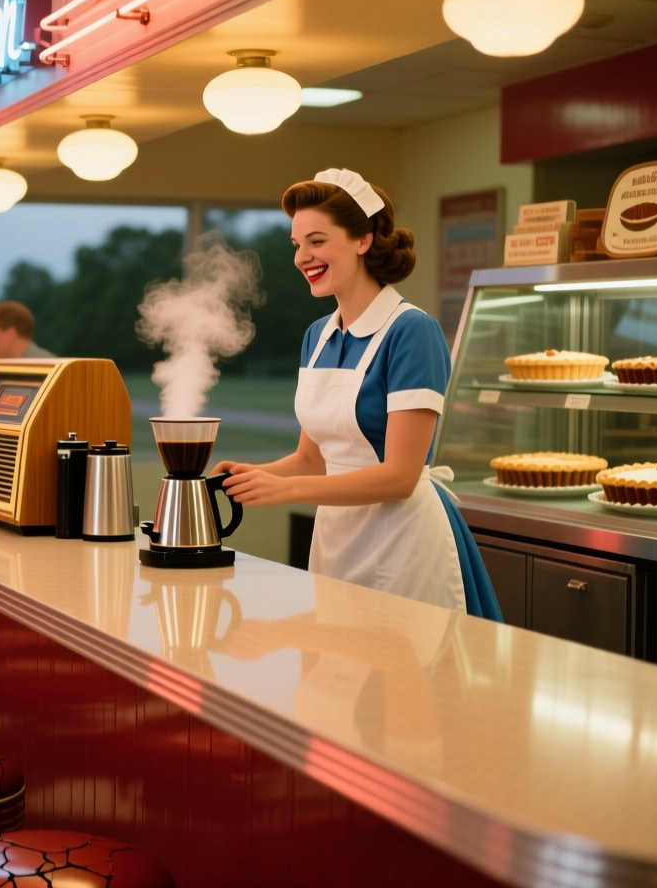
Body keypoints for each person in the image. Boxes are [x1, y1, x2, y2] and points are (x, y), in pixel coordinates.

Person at [213, 168, 500, 619]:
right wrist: (257, 476)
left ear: (363, 239)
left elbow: (400, 476)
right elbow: (312, 458)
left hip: (403, 539)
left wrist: (286, 491)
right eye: (296, 244)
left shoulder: (412, 332)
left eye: (317, 241)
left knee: (404, 680)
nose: (301, 257)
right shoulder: (318, 336)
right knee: (335, 678)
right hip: (336, 535)